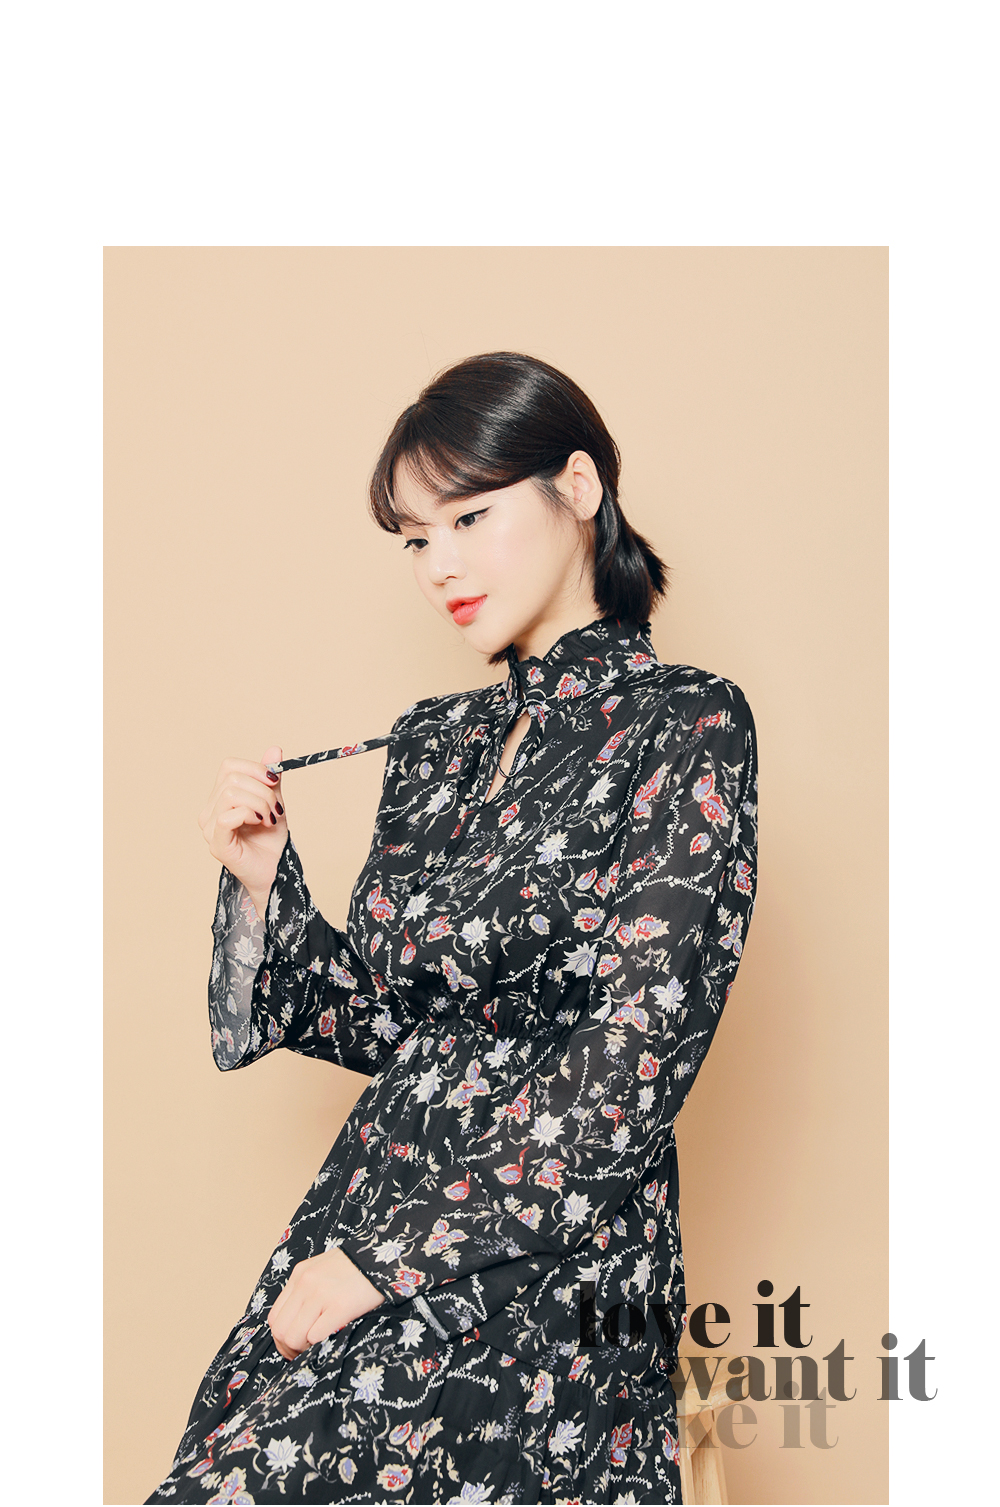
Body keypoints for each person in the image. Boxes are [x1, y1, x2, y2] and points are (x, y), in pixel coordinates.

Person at [145, 351, 758, 1505]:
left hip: (557, 1239)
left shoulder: (687, 723)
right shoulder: (437, 741)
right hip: (371, 1197)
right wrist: (267, 881)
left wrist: (393, 1261)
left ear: (578, 486)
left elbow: (638, 1051)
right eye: (416, 538)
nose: (440, 564)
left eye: (470, 517)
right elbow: (394, 1029)